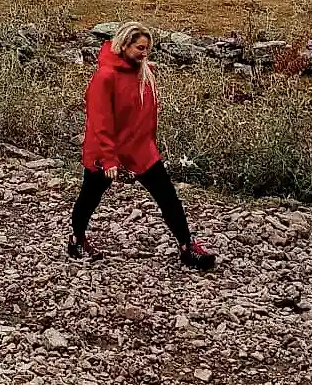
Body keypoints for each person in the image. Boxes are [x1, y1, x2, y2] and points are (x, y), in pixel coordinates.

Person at [69, 22, 217, 270]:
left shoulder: (144, 71)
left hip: (139, 147)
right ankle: (77, 238)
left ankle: (187, 246)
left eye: (147, 48)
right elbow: (100, 119)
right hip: (106, 149)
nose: (144, 53)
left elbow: (145, 114)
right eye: (140, 48)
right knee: (90, 196)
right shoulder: (105, 76)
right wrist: (108, 158)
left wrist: (149, 144)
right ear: (124, 45)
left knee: (167, 196)